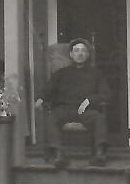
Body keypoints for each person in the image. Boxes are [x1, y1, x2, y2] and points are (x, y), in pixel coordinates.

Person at [35, 38, 110, 168]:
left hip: (85, 111)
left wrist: (89, 100)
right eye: (76, 51)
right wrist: (41, 98)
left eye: (83, 51)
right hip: (64, 109)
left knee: (99, 118)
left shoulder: (96, 74)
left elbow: (106, 94)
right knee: (52, 117)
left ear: (87, 54)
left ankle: (99, 154)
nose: (80, 54)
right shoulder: (61, 73)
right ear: (71, 54)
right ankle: (58, 154)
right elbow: (48, 90)